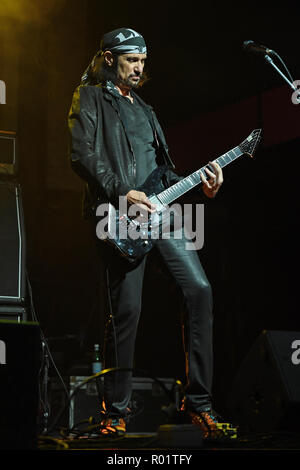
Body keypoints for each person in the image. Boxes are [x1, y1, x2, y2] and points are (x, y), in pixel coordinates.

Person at [68, 27, 236, 441]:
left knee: (200, 290)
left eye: (143, 61)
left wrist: (203, 183)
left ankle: (200, 405)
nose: (140, 68)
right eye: (132, 60)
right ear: (109, 59)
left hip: (162, 215)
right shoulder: (89, 98)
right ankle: (116, 413)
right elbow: (83, 156)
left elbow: (164, 173)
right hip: (119, 215)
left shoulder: (146, 109)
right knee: (126, 312)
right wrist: (123, 191)